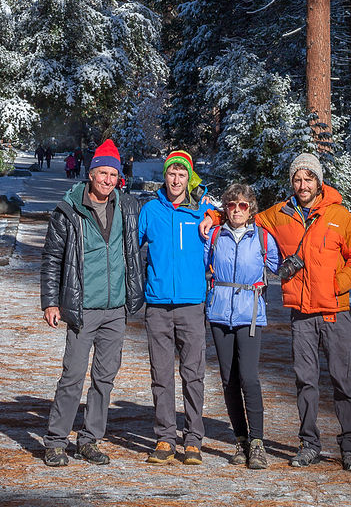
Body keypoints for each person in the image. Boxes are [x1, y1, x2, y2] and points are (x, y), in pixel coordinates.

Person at [256, 152, 351, 472]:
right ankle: (309, 444)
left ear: (318, 181)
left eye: (308, 178)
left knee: (343, 382)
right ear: (291, 182)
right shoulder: (280, 214)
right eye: (297, 178)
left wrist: (338, 284)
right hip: (302, 315)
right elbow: (246, 216)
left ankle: (349, 447)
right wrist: (215, 216)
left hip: (335, 312)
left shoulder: (340, 215)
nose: (302, 184)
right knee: (305, 382)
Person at [40, 138, 144, 467]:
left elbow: (164, 218)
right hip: (82, 309)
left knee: (104, 379)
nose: (107, 180)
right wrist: (50, 302)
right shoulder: (68, 210)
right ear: (91, 174)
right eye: (102, 174)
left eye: (113, 175)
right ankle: (56, 441)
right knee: (72, 376)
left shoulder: (129, 207)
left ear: (118, 178)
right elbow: (52, 259)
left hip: (115, 311)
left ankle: (89, 439)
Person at [137, 150, 212, 466]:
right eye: (171, 173)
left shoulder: (202, 210)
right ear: (165, 176)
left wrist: (214, 217)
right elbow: (129, 249)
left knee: (193, 374)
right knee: (161, 375)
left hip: (192, 306)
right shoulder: (150, 211)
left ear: (189, 177)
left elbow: (235, 222)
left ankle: (193, 439)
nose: (176, 179)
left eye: (182, 174)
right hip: (157, 307)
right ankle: (165, 438)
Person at [203, 182, 280, 470]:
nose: (237, 210)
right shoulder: (214, 235)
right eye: (232, 205)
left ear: (251, 209)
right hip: (220, 313)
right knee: (228, 379)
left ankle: (257, 443)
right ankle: (241, 439)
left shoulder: (262, 237)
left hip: (250, 313)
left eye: (243, 205)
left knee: (249, 377)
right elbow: (201, 263)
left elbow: (277, 263)